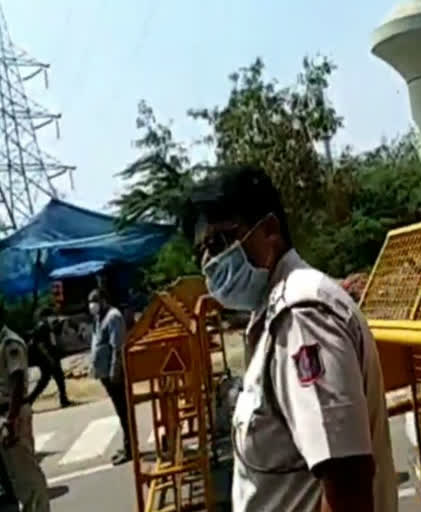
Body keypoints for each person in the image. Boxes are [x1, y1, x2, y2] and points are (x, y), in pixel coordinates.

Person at [182, 164, 397, 512]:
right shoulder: (274, 312)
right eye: (201, 252)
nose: (209, 262)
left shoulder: (301, 315)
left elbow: (347, 482)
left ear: (269, 230)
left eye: (219, 242)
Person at [0, 304, 50, 512]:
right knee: (16, 477)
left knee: (27, 474)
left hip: (13, 414)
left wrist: (10, 421)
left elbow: (17, 380)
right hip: (5, 413)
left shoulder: (9, 342)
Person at [88, 289, 131, 465]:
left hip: (115, 375)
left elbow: (117, 347)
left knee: (124, 412)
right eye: (90, 302)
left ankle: (130, 448)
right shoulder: (99, 319)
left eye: (95, 301)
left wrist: (115, 372)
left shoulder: (113, 317)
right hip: (105, 374)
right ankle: (128, 445)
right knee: (121, 412)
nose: (92, 305)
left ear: (104, 301)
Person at [25, 309, 71, 408]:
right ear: (44, 317)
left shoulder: (46, 326)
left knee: (53, 379)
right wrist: (49, 358)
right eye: (49, 316)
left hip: (50, 356)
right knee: (51, 379)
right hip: (46, 358)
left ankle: (63, 399)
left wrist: (62, 323)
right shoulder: (42, 327)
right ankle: (29, 401)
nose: (52, 318)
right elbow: (41, 344)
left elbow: (55, 333)